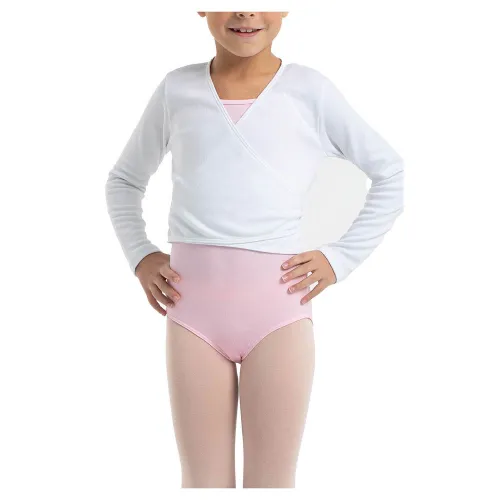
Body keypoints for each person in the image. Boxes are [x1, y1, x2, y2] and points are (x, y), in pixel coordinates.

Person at [104, 11, 405, 488]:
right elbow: (123, 180)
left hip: (278, 316)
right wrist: (140, 254)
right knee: (202, 483)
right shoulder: (176, 90)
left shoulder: (309, 90)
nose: (246, 10)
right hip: (192, 316)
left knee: (272, 483)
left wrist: (339, 258)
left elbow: (390, 173)